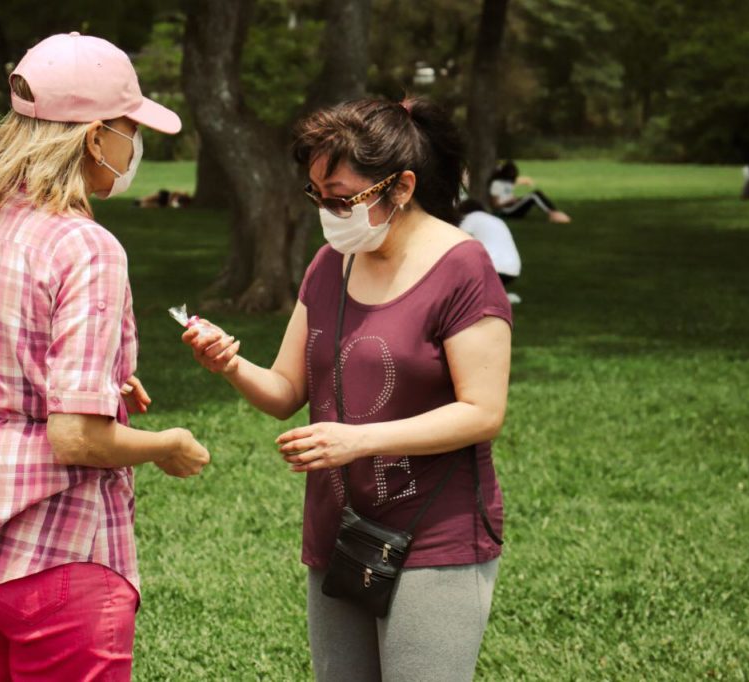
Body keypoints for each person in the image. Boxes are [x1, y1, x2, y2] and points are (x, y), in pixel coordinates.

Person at [0, 33, 210, 681]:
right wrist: (169, 445)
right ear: (97, 138)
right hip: (54, 553)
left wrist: (99, 380)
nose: (134, 148)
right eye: (131, 129)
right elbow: (76, 438)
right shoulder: (86, 247)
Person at [182, 98, 512, 681]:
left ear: (401, 186)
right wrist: (230, 364)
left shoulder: (463, 267)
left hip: (436, 536)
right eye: (318, 197)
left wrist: (357, 441)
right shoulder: (329, 263)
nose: (328, 214)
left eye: (341, 199)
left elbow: (482, 412)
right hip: (341, 528)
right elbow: (285, 390)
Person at [458, 198, 523, 304]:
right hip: (512, 271)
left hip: (491, 269)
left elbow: (457, 238)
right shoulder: (498, 220)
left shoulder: (471, 217)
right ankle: (497, 297)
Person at [489, 159, 571, 223]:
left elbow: (521, 181)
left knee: (537, 193)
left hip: (513, 206)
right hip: (507, 211)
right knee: (533, 195)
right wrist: (509, 202)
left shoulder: (509, 182)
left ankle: (555, 211)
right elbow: (495, 205)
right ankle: (553, 213)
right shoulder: (496, 184)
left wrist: (516, 198)